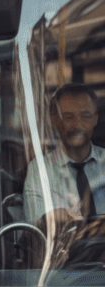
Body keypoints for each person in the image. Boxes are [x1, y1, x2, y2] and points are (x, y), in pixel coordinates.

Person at [24, 83, 105, 227]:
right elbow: (34, 227)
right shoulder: (39, 170)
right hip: (63, 249)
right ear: (54, 120)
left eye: (85, 116)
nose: (77, 124)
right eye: (68, 117)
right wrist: (48, 219)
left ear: (95, 118)